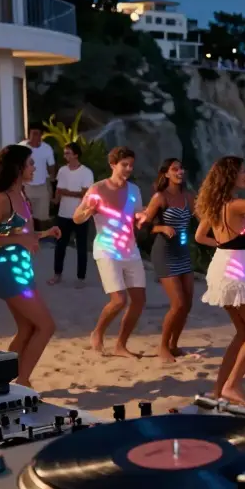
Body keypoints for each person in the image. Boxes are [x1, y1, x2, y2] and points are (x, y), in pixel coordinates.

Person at [0, 144, 61, 387]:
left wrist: (44, 233)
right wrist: (20, 239)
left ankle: (2, 378)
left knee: (26, 329)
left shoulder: (21, 195)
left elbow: (24, 233)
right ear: (17, 167)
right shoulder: (1, 199)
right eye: (30, 163)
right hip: (7, 270)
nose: (34, 167)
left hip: (21, 270)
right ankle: (22, 382)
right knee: (46, 326)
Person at [195, 155, 245, 403]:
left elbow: (201, 237)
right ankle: (232, 385)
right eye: (242, 171)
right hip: (233, 272)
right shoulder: (235, 204)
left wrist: (241, 240)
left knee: (243, 331)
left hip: (221, 265)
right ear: (231, 176)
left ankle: (219, 389)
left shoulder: (215, 205)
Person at [72, 147, 149, 358]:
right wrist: (87, 211)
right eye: (124, 165)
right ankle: (97, 332)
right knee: (118, 301)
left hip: (130, 250)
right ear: (113, 165)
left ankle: (121, 345)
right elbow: (76, 218)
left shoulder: (134, 190)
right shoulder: (97, 189)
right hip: (107, 250)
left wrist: (143, 216)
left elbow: (137, 215)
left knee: (139, 300)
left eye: (131, 165)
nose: (128, 169)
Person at [143, 158, 196, 363]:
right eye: (175, 169)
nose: (180, 171)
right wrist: (161, 227)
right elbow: (144, 227)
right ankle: (163, 346)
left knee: (188, 303)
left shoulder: (188, 197)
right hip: (164, 252)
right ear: (166, 174)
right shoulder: (160, 197)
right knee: (178, 302)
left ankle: (174, 345)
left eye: (181, 168)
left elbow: (204, 217)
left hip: (182, 251)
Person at [49, 142, 93, 288]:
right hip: (63, 214)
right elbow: (59, 189)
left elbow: (85, 194)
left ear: (76, 154)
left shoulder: (86, 172)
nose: (65, 156)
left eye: (68, 153)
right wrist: (56, 199)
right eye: (64, 153)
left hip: (80, 215)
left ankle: (81, 278)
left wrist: (67, 193)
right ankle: (57, 274)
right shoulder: (62, 170)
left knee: (81, 246)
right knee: (60, 245)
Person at [20, 126, 56, 232]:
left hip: (42, 185)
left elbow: (51, 166)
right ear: (28, 134)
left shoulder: (47, 148)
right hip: (26, 186)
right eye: (34, 133)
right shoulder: (21, 147)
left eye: (39, 134)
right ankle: (26, 235)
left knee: (42, 216)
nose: (36, 136)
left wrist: (52, 184)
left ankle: (39, 236)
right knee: (25, 214)